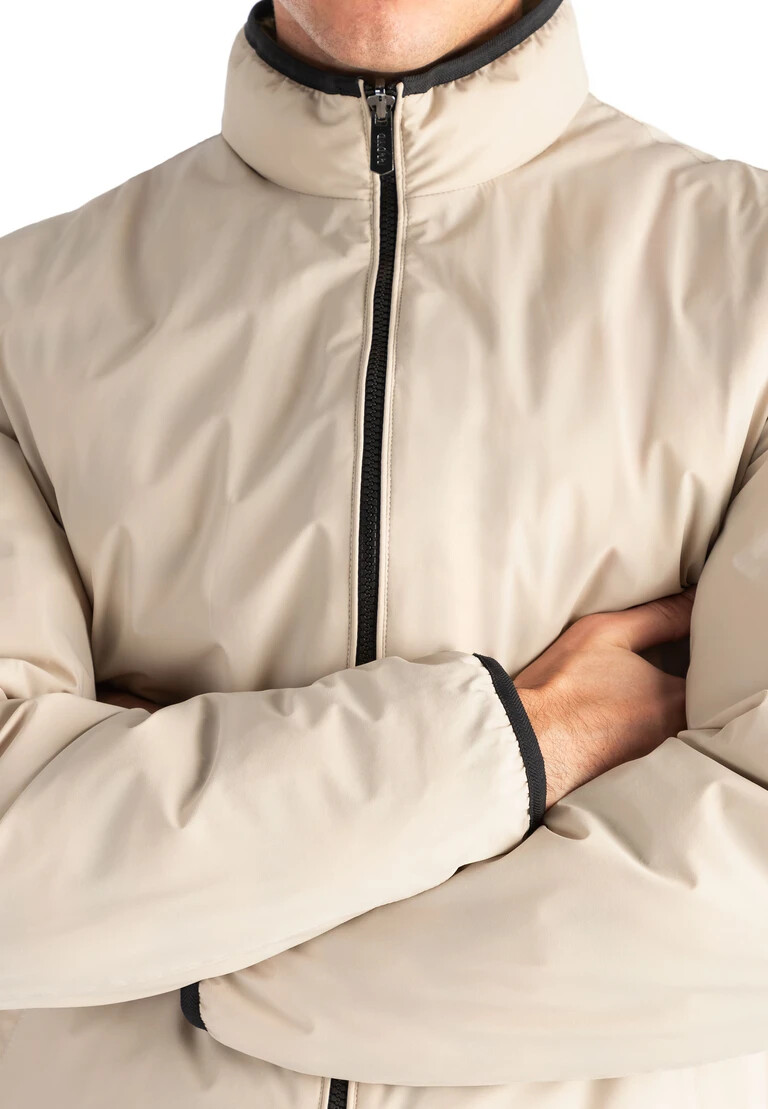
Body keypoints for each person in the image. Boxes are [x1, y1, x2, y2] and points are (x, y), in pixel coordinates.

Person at [1, 0, 767, 1104]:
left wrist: (170, 940)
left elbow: (744, 900)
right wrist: (523, 740)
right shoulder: (23, 315)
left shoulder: (751, 278)